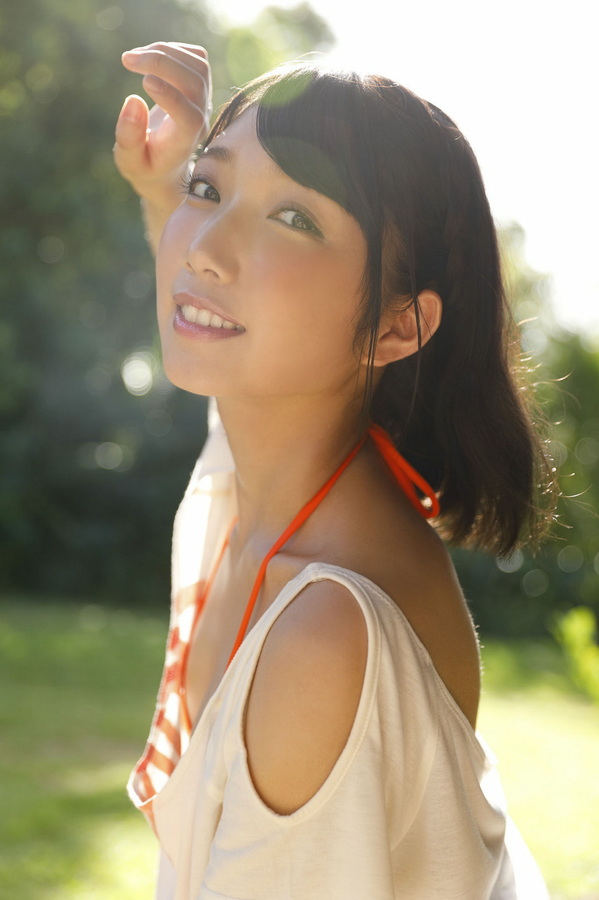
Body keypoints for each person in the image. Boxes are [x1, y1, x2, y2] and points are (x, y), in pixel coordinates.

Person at [114, 42, 555, 899]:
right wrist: (166, 182)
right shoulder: (269, 460)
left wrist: (200, 187)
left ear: (396, 326)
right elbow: (203, 275)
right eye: (209, 190)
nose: (203, 248)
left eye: (293, 218)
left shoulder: (322, 640)